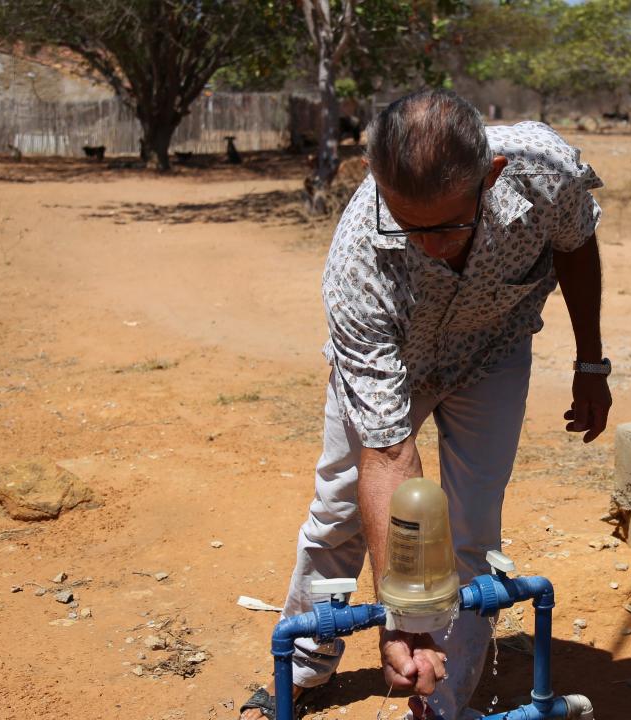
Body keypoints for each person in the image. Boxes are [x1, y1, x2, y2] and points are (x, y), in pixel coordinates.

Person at [241, 89, 611, 720]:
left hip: (492, 353)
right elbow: (388, 454)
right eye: (408, 225)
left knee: (471, 533)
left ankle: (439, 698)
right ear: (375, 179)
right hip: (395, 363)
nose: (429, 246)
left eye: (447, 226)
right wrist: (402, 615)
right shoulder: (357, 260)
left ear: (490, 177)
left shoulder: (548, 172)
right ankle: (305, 666)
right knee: (338, 512)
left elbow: (576, 246)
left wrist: (589, 362)